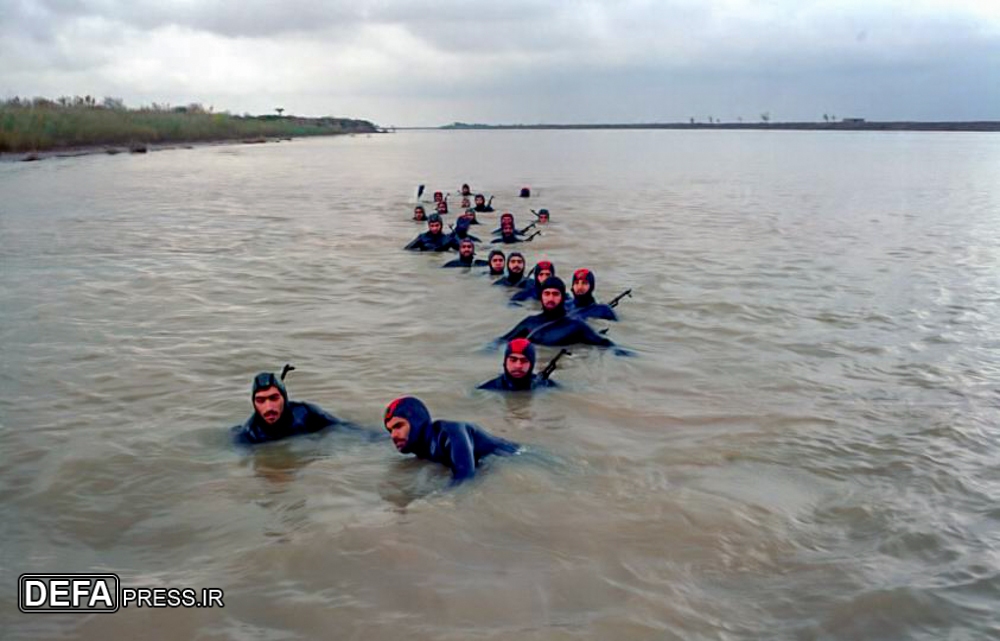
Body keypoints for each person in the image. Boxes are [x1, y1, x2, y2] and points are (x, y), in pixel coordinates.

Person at [383, 396, 519, 483]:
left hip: (518, 457)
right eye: (390, 430)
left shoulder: (450, 433)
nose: (393, 435)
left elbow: (465, 478)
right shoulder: (420, 447)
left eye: (398, 426)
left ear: (416, 423)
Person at [499, 276, 615, 348]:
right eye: (547, 294)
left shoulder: (576, 326)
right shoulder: (529, 323)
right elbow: (500, 343)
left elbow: (605, 345)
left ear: (563, 297)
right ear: (541, 296)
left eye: (555, 294)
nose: (550, 298)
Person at [232, 371, 344, 444]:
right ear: (254, 403)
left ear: (284, 398)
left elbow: (343, 428)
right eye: (260, 401)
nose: (269, 407)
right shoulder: (250, 435)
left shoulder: (307, 414)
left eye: (274, 398)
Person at [477, 338, 557, 391]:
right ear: (505, 362)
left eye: (524, 360)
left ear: (532, 364)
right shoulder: (487, 389)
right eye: (513, 360)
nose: (518, 366)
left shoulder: (546, 385)